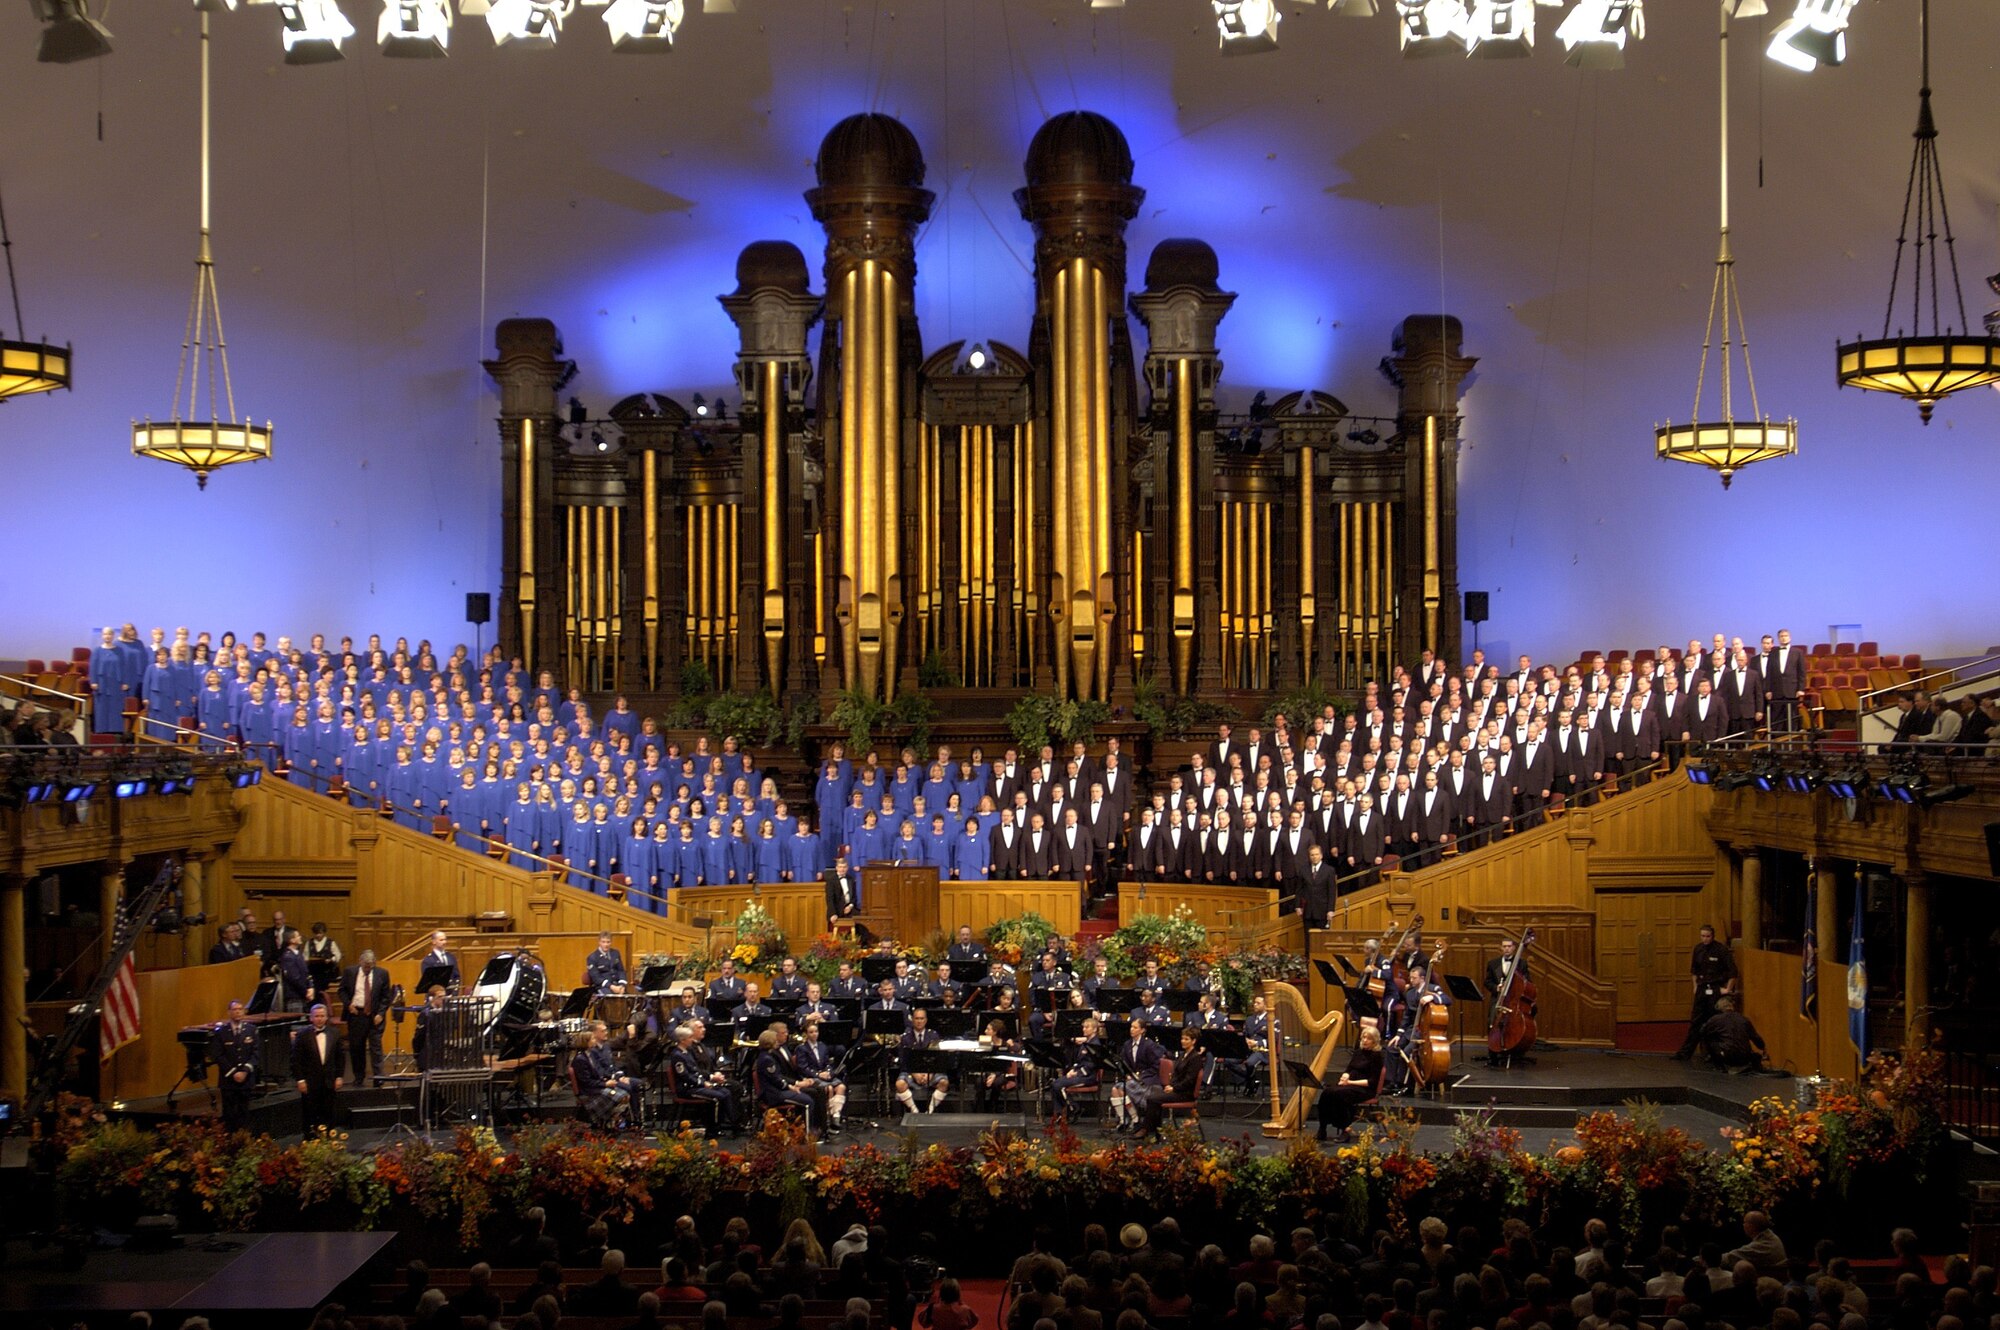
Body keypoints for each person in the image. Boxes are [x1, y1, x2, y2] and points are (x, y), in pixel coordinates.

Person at [1673, 924, 1738, 1061]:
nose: (1705, 939)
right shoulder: (1698, 949)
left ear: (1713, 936)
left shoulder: (1721, 950)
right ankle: (1685, 1053)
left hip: (1715, 989)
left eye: (1707, 936)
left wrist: (1727, 989)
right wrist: (1695, 986)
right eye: (1702, 936)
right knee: (1695, 1021)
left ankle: (1713, 1054)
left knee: (1714, 1022)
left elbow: (1733, 972)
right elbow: (1694, 971)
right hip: (1702, 988)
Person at [1315, 1024, 1383, 1142]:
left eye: (1369, 1038)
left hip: (1365, 1089)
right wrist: (1345, 1076)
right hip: (1350, 1085)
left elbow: (1372, 1082)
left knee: (1341, 1095)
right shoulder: (1358, 1052)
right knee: (1327, 1092)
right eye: (1364, 1037)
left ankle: (1345, 1131)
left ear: (1375, 1041)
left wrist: (1350, 1082)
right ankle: (1322, 1128)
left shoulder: (1377, 1056)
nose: (1365, 1040)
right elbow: (1349, 1069)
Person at [338, 949, 392, 1085]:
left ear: (374, 963)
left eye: (371, 965)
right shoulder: (350, 972)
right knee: (357, 1047)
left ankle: (379, 1077)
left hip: (375, 1016)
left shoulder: (382, 974)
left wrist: (381, 1013)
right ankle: (359, 1077)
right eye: (366, 966)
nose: (368, 968)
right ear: (360, 962)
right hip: (357, 1014)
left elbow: (386, 997)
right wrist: (348, 1004)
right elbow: (342, 990)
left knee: (376, 1047)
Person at [290, 1002, 344, 1135]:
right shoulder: (303, 1035)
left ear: (326, 1017)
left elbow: (340, 1057)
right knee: (310, 1113)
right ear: (311, 1018)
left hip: (329, 1081)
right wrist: (300, 1080)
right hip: (310, 1082)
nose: (319, 1018)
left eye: (322, 1016)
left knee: (329, 1112)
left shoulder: (335, 1033)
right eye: (316, 1016)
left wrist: (339, 1076)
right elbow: (296, 1059)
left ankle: (329, 1141)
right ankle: (309, 1141)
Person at [210, 998, 261, 1131]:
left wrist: (244, 1071)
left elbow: (256, 1054)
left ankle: (244, 1142)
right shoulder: (221, 1032)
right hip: (228, 1080)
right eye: (234, 1010)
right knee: (229, 1114)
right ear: (229, 1012)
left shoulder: (251, 1030)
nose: (238, 1012)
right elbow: (217, 1055)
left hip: (246, 1080)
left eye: (240, 1009)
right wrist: (233, 1073)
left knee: (244, 1113)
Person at [895, 1006, 949, 1115]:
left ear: (926, 1020)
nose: (919, 1021)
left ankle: (930, 1110)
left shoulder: (933, 1035)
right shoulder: (905, 1038)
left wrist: (930, 1073)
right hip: (911, 1071)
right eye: (917, 1018)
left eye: (922, 1018)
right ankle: (914, 1110)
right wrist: (915, 1073)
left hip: (931, 1070)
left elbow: (938, 1058)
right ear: (912, 1020)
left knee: (944, 1083)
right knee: (899, 1084)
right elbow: (903, 1059)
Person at [1698, 996, 1770, 1074]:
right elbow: (1755, 1037)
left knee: (1710, 1039)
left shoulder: (1715, 1019)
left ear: (1719, 1008)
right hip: (1745, 1055)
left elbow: (1702, 1032)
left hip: (1728, 1055)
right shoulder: (1743, 1019)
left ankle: (1718, 1065)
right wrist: (1762, 1047)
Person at [823, 854, 861, 927]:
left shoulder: (851, 879)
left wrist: (850, 906)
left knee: (861, 921)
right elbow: (830, 899)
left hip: (849, 909)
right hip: (837, 910)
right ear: (836, 868)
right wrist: (833, 914)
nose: (842, 869)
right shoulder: (831, 880)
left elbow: (854, 897)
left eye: (844, 867)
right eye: (840, 867)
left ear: (847, 868)